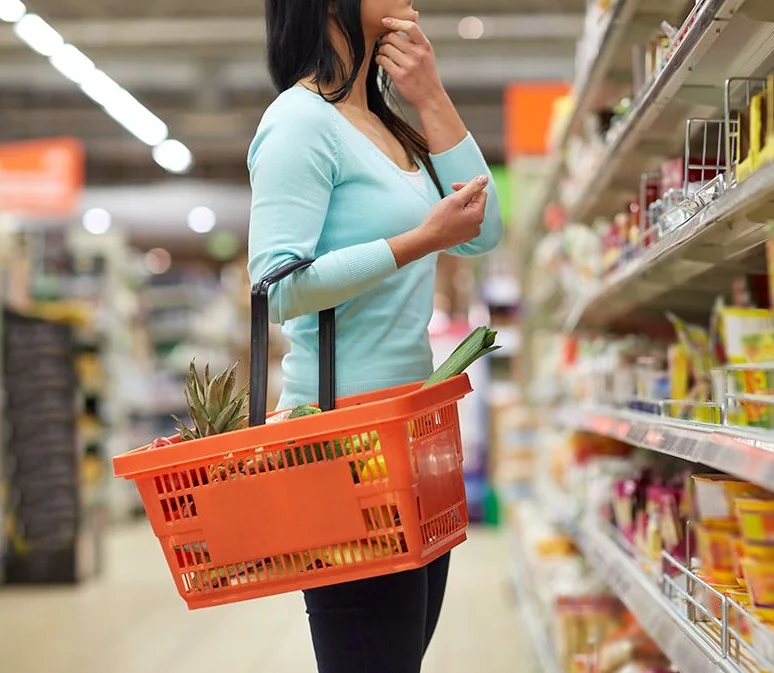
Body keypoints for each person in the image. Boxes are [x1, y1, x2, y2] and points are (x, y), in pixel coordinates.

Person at [246, 0, 503, 669]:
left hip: (411, 436)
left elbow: (486, 227)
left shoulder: (386, 124)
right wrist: (421, 240)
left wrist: (430, 96)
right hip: (342, 448)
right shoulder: (298, 122)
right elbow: (277, 287)